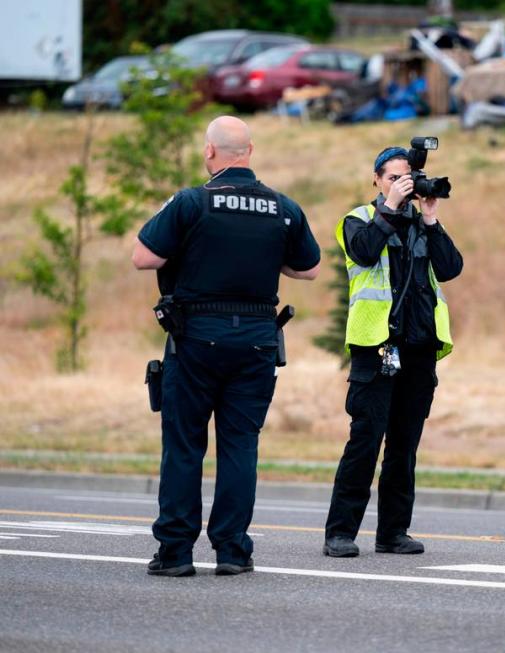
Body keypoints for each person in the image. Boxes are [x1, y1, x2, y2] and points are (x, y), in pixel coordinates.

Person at [132, 116, 322, 577]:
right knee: (240, 447)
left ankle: (175, 553)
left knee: (184, 447)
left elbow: (144, 257)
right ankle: (233, 550)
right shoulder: (283, 208)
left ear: (209, 153)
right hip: (256, 341)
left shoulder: (191, 202)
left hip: (196, 339)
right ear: (249, 152)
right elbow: (308, 268)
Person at [323, 146, 463, 557]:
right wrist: (392, 205)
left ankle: (393, 532)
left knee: (404, 445)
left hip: (419, 349)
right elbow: (364, 251)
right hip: (376, 346)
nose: (402, 184)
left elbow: (451, 268)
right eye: (393, 178)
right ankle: (340, 533)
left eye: (408, 179)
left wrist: (432, 218)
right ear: (377, 180)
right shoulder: (359, 220)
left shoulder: (423, 225)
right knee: (365, 440)